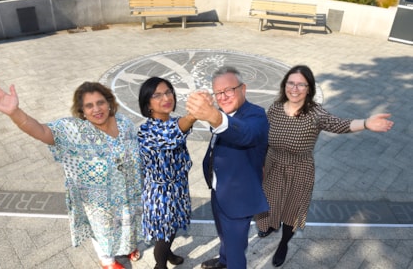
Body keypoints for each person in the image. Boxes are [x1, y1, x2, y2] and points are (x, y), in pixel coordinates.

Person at [0, 81, 143, 269]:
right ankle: (107, 260)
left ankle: (126, 246)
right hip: (97, 201)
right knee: (102, 230)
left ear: (109, 103)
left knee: (129, 222)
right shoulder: (73, 131)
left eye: (100, 102)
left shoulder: (124, 123)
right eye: (89, 105)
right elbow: (42, 131)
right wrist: (15, 113)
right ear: (81, 111)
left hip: (128, 193)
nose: (96, 109)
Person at [255, 65, 394, 267]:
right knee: (270, 201)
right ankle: (269, 225)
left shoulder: (315, 113)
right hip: (273, 165)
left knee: (292, 210)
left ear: (309, 89)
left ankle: (284, 243)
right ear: (284, 85)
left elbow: (338, 124)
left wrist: (365, 123)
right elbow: (264, 137)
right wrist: (260, 164)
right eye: (291, 83)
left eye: (301, 84)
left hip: (299, 170)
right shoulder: (275, 108)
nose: (294, 88)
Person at [186, 66, 270, 269]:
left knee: (236, 253)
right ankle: (223, 261)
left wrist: (213, 115)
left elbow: (245, 134)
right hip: (219, 189)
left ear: (244, 89)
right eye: (218, 93)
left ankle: (230, 262)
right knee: (226, 237)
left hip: (238, 198)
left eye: (229, 90)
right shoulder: (225, 113)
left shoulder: (256, 116)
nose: (223, 97)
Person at [137, 77, 197, 269]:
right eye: (157, 95)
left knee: (171, 229)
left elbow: (175, 128)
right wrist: (194, 114)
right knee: (163, 236)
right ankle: (160, 265)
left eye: (168, 91)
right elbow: (171, 136)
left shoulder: (170, 121)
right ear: (148, 104)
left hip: (177, 187)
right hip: (161, 193)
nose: (166, 97)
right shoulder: (147, 131)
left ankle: (169, 254)